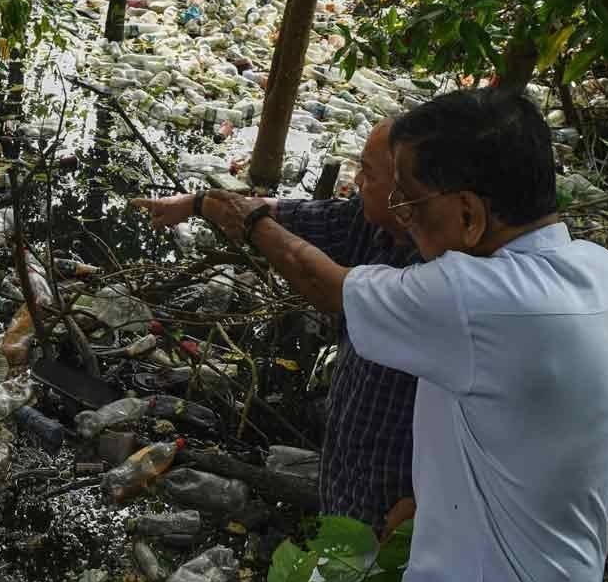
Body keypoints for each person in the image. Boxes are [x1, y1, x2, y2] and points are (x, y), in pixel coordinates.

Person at [138, 88, 608, 582]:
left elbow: (321, 282)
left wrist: (249, 221)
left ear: (469, 214)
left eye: (410, 201)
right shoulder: (597, 269)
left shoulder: (472, 296)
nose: (400, 215)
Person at [134, 119, 420, 531]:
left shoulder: (434, 281)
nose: (357, 181)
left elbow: (325, 288)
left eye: (368, 173)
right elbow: (298, 215)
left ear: (406, 193)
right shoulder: (372, 225)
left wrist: (253, 225)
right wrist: (198, 203)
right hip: (347, 474)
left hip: (397, 497)